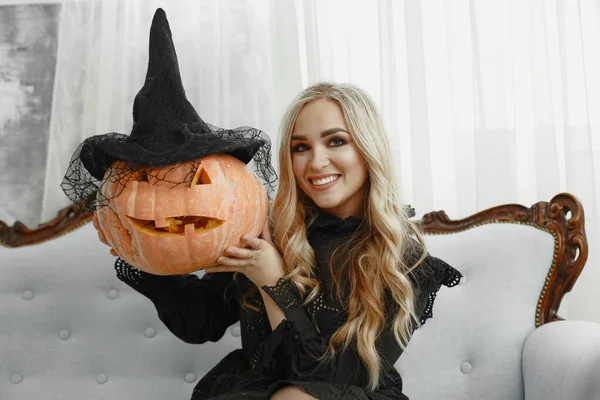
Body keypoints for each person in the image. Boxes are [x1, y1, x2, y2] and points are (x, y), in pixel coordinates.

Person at [92, 80, 462, 400]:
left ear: (367, 150)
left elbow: (333, 383)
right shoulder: (261, 228)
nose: (316, 162)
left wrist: (272, 282)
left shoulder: (403, 259)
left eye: (336, 141)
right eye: (300, 147)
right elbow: (199, 323)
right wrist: (146, 250)